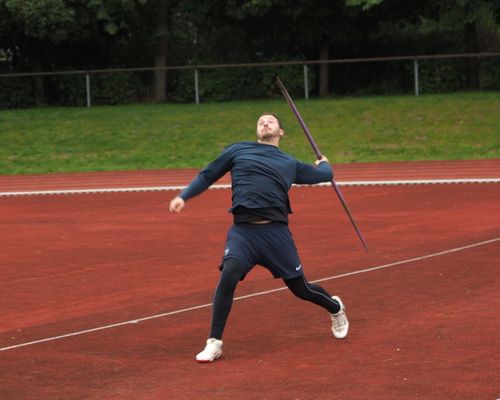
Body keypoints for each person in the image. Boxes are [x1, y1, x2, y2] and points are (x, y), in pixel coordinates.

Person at [169, 113, 349, 363]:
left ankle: (335, 308)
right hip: (243, 232)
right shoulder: (238, 150)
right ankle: (214, 342)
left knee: (301, 288)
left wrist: (323, 164)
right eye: (261, 121)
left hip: (275, 234)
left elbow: (325, 176)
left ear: (281, 132)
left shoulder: (289, 163)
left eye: (271, 121)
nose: (265, 123)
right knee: (229, 274)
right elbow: (207, 175)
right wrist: (184, 196)